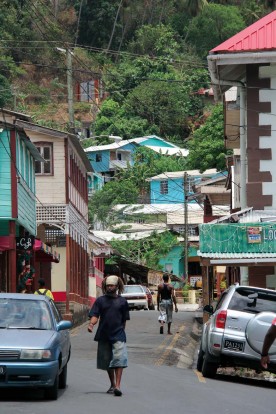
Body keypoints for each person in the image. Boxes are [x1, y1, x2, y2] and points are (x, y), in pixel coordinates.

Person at [88, 275, 130, 397]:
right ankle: (112, 384)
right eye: (108, 286)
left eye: (112, 285)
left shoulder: (123, 301)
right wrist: (91, 324)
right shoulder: (100, 300)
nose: (109, 287)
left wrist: (122, 332)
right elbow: (95, 315)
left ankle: (118, 386)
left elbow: (124, 320)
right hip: (104, 334)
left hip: (118, 334)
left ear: (117, 287)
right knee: (107, 361)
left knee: (119, 359)